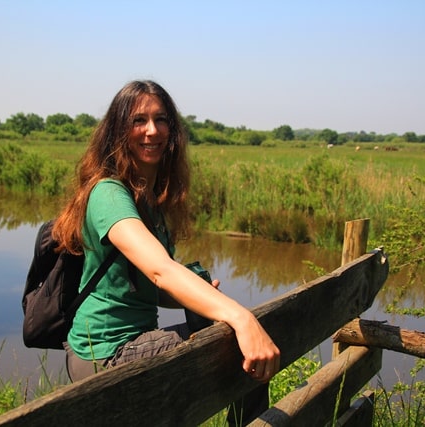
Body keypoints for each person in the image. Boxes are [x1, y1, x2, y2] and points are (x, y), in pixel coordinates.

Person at [52, 80, 280, 425]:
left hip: (132, 342)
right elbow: (160, 270)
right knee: (235, 346)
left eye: (161, 120)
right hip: (106, 352)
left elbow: (153, 287)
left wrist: (199, 293)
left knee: (222, 334)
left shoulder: (149, 200)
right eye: (138, 121)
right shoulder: (109, 194)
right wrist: (242, 317)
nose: (152, 131)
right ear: (118, 131)